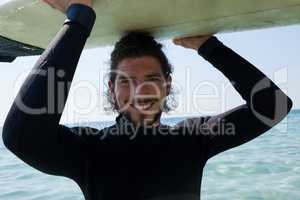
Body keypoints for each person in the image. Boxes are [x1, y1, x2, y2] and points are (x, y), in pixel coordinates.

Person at [2, 0, 293, 200]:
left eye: (152, 80)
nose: (141, 91)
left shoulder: (193, 139)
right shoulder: (87, 151)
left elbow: (274, 106)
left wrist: (210, 47)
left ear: (167, 85)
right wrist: (78, 23)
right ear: (112, 89)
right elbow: (21, 136)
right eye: (127, 82)